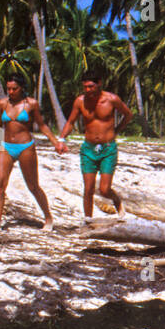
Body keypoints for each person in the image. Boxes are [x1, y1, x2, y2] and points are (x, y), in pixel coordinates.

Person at [0, 74, 67, 232]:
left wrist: (55, 142)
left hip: (25, 147)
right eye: (8, 88)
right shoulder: (2, 103)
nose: (11, 91)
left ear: (22, 88)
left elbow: (42, 125)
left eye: (14, 88)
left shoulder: (31, 104)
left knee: (33, 185)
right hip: (5, 146)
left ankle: (48, 217)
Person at [60, 72, 133, 219]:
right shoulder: (80, 101)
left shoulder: (112, 99)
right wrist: (61, 139)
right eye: (85, 87)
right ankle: (88, 220)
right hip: (88, 149)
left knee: (104, 189)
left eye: (91, 86)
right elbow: (70, 122)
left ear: (99, 83)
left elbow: (128, 115)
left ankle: (117, 202)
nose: (87, 90)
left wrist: (116, 130)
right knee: (88, 189)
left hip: (107, 149)